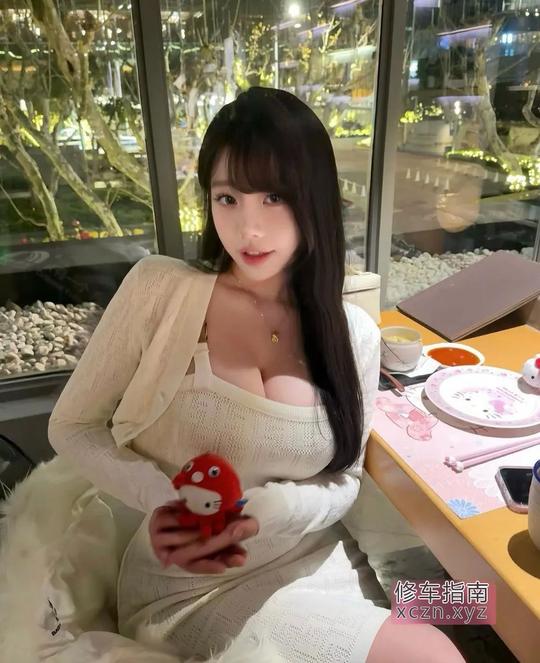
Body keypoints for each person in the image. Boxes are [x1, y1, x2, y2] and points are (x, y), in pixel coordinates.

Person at [48, 87, 464, 662]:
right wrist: (165, 500)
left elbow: (345, 478)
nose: (249, 229)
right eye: (228, 198)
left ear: (314, 199)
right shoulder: (162, 291)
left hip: (323, 559)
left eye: (274, 197)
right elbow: (72, 426)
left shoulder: (351, 333)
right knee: (433, 654)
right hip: (193, 589)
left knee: (475, 604)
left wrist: (271, 511)